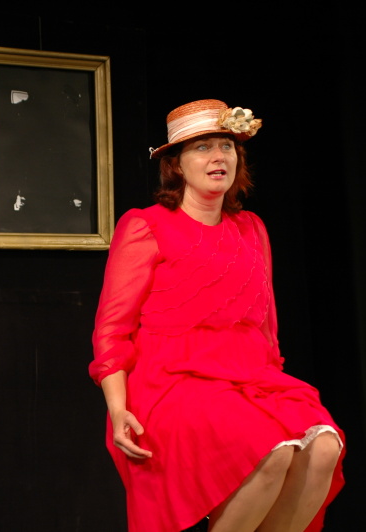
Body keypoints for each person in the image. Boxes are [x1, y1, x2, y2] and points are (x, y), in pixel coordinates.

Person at [90, 99, 345, 532]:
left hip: (250, 376)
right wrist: (117, 408)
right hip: (172, 381)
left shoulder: (252, 229)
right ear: (176, 164)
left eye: (227, 146)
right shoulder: (146, 226)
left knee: (324, 447)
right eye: (203, 147)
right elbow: (112, 332)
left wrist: (269, 378)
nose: (218, 156)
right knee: (271, 450)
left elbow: (266, 327)